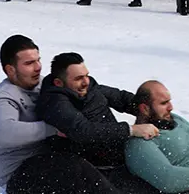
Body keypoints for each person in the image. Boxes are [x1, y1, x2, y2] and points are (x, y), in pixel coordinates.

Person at [0, 35, 119, 194]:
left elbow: (91, 92)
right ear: (10, 69)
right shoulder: (3, 98)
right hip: (20, 174)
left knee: (105, 164)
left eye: (38, 60)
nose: (38, 67)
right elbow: (3, 134)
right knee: (76, 168)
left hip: (56, 158)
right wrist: (51, 129)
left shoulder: (45, 84)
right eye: (29, 63)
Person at [35, 52, 161, 193]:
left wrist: (151, 109)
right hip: (95, 170)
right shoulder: (55, 103)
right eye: (78, 78)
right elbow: (84, 131)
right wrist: (131, 130)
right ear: (59, 83)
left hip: (120, 156)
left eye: (86, 75)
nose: (85, 82)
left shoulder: (89, 87)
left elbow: (121, 98)